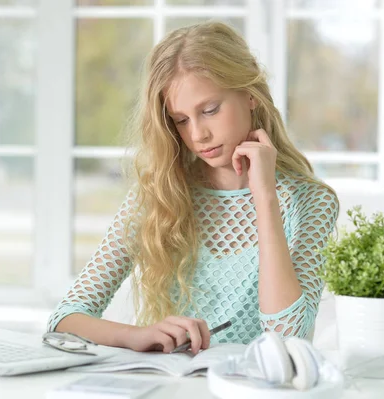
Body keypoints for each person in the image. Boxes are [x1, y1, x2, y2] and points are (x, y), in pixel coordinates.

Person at [47, 22, 339, 355]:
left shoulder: (312, 202)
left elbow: (288, 338)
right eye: (181, 120)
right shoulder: (160, 195)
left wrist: (265, 197)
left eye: (210, 110)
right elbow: (65, 318)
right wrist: (137, 335)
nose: (198, 134)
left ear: (250, 95)